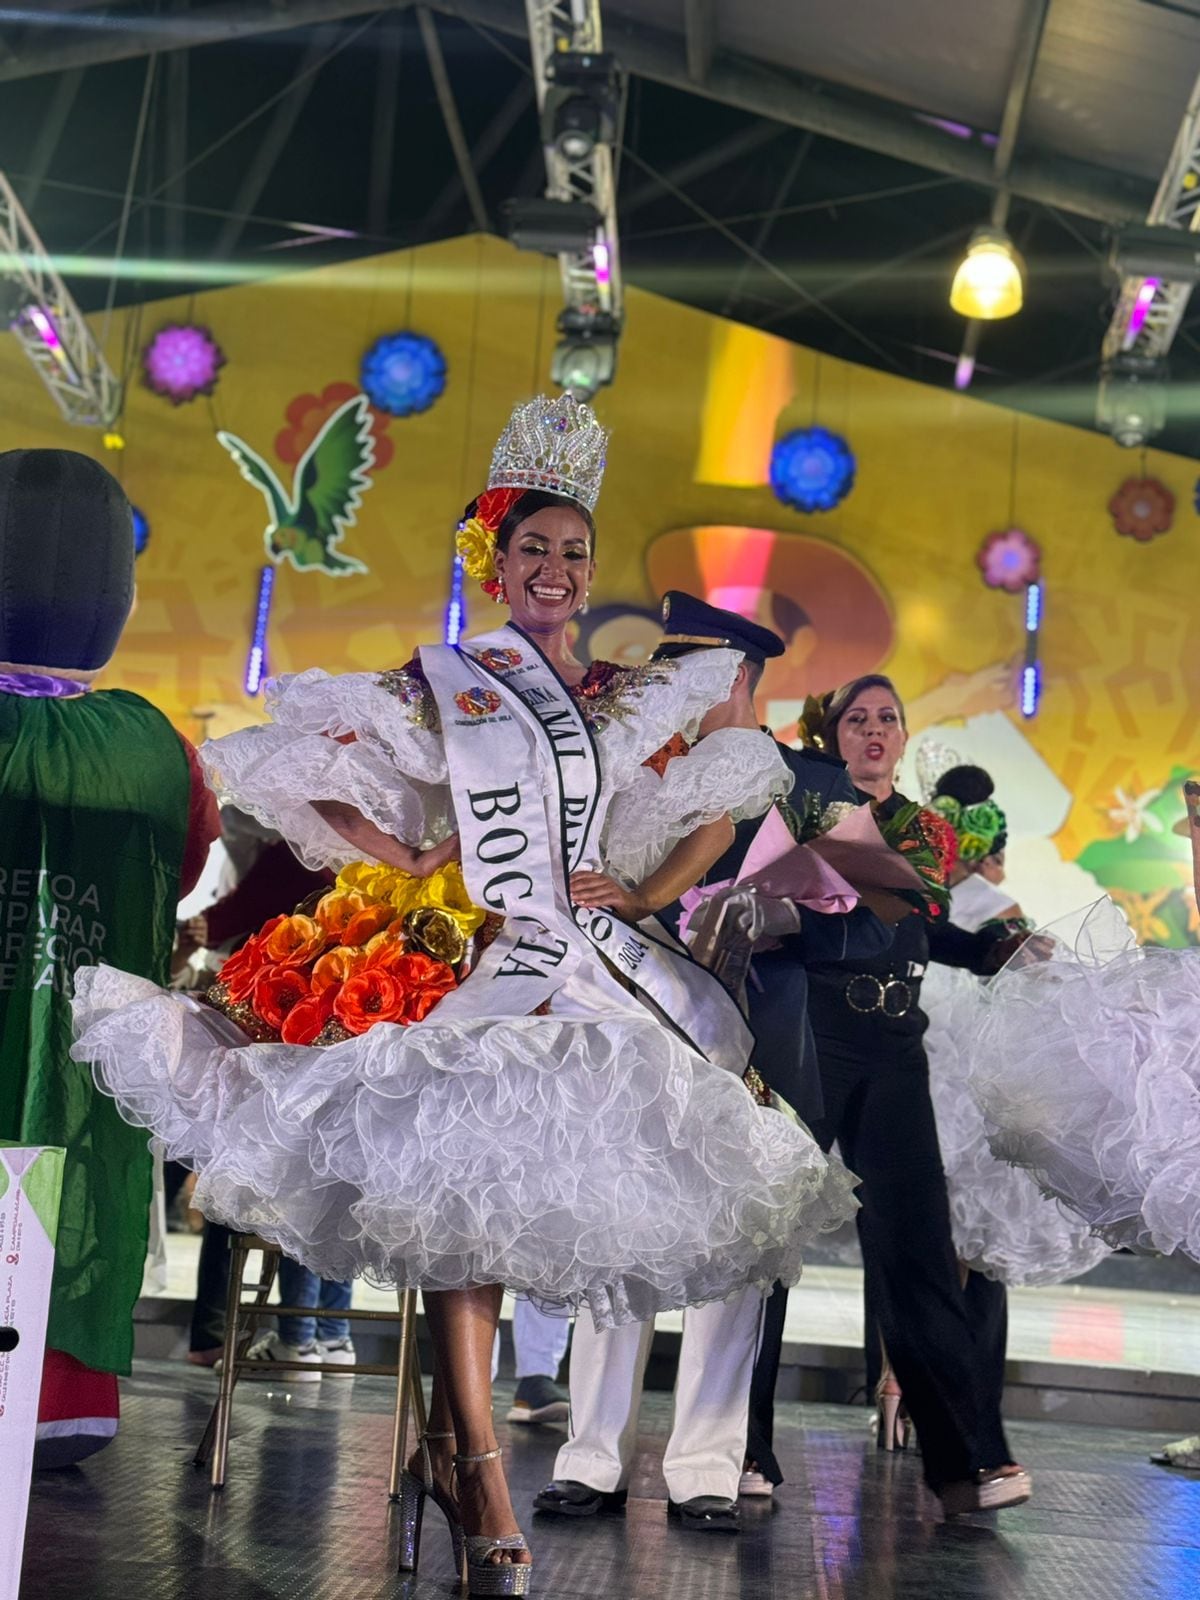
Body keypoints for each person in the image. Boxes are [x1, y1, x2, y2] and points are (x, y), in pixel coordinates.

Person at [72, 394, 859, 1595]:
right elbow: (323, 779)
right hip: (485, 957)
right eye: (534, 548)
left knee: (530, 1184)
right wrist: (398, 860)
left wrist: (647, 894)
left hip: (588, 960)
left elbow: (728, 791)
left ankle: (461, 1448)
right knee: (454, 1177)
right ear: (496, 558)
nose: (556, 568)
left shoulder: (619, 693)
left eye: (576, 552)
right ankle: (480, 1467)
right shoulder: (447, 678)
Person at [534, 594, 890, 1529]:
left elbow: (870, 917)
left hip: (749, 1030)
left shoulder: (786, 774)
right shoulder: (628, 769)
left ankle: (706, 1463)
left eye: (681, 671)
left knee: (731, 1244)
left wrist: (763, 915)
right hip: (630, 1025)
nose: (663, 689)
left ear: (732, 676)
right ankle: (592, 1454)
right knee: (614, 1225)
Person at [758, 674, 1034, 1516]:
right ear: (831, 734)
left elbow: (914, 924)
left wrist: (989, 948)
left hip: (895, 1044)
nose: (874, 731)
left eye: (888, 719)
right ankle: (747, 1449)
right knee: (772, 1244)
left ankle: (967, 1463)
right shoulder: (802, 809)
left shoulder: (923, 829)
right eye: (858, 719)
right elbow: (780, 910)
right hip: (813, 1034)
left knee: (919, 1249)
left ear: (905, 737)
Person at [0, 448, 220, 1467]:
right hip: (78, 1040)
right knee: (65, 1193)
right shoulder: (151, 746)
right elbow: (182, 869)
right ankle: (52, 1400)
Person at [867, 764, 1110, 1431]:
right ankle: (961, 1407)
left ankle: (894, 1385)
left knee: (905, 1242)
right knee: (973, 1254)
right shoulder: (1000, 918)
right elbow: (1029, 998)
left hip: (912, 1071)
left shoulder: (915, 899)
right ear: (991, 852)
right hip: (971, 1091)